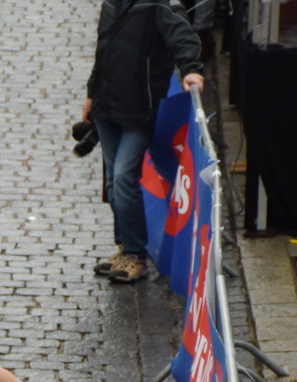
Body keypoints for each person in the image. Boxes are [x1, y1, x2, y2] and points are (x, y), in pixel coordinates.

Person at [82, 0, 203, 285]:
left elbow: (184, 38)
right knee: (114, 180)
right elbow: (103, 52)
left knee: (124, 176)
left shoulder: (158, 6)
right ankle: (124, 247)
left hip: (139, 109)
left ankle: (136, 254)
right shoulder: (112, 4)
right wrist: (91, 95)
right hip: (106, 105)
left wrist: (191, 69)